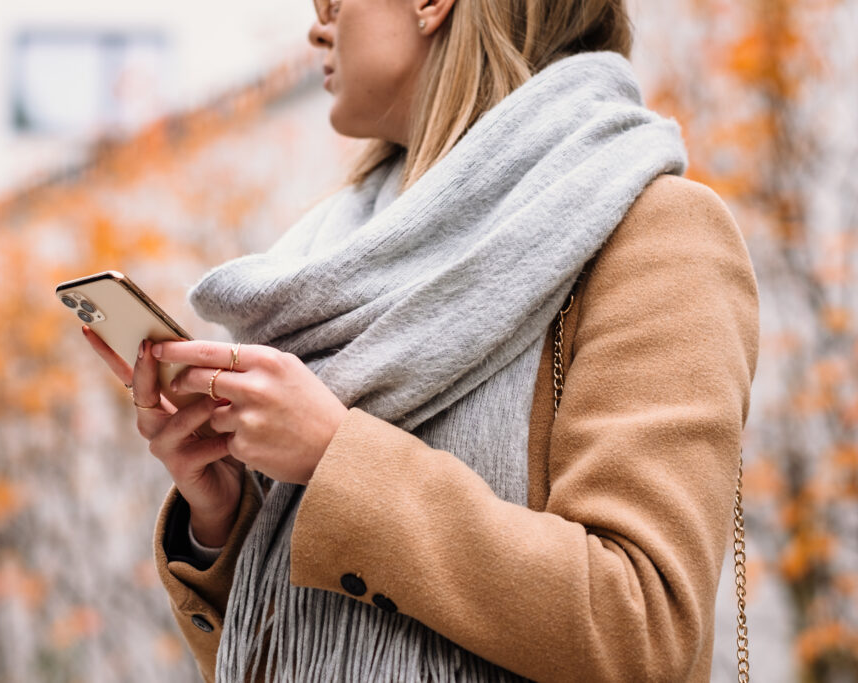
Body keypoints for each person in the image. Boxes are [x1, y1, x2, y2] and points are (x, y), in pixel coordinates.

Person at [84, 0, 760, 680]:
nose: (316, 26)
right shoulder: (338, 262)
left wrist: (335, 456)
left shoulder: (655, 232)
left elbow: (640, 627)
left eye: (330, 1)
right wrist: (227, 517)